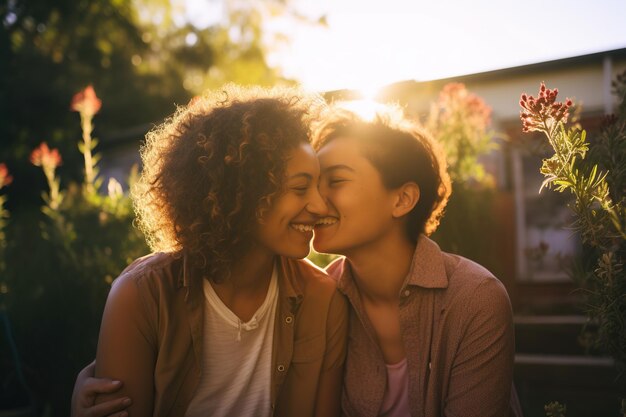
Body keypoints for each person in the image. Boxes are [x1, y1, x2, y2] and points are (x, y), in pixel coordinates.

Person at [76, 84, 348, 417]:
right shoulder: (141, 296)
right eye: (300, 187)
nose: (320, 206)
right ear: (242, 190)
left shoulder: (323, 300)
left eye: (319, 186)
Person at [311, 103, 516, 417]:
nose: (313, 201)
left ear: (402, 199)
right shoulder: (319, 297)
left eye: (335, 181)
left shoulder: (476, 300)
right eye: (312, 183)